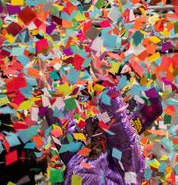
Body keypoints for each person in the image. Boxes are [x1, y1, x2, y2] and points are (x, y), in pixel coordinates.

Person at [44, 52, 162, 185]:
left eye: (99, 122)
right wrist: (46, 91)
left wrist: (104, 82)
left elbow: (118, 125)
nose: (91, 127)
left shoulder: (127, 160)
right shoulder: (81, 156)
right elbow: (64, 130)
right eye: (94, 125)